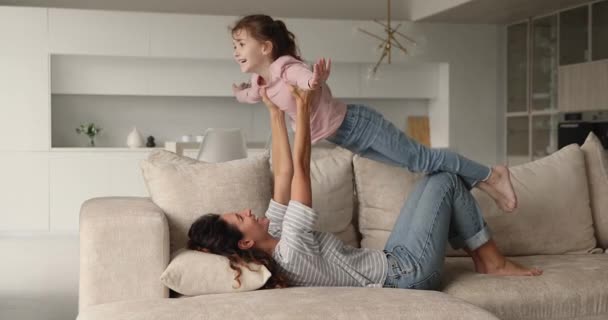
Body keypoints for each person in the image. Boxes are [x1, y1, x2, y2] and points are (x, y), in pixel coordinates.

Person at [187, 85, 542, 291]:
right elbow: (299, 173)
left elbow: (281, 173)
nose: (248, 211)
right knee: (446, 179)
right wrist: (305, 111)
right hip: (409, 276)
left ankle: (486, 256)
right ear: (246, 242)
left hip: (393, 259)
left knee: (436, 176)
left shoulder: (275, 232)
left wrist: (276, 112)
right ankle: (492, 259)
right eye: (240, 217)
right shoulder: (290, 250)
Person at [230, 14, 517, 213]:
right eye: (234, 46)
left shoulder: (284, 66)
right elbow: (249, 96)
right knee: (417, 165)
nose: (236, 51)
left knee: (422, 158)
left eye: (241, 44)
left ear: (266, 47)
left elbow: (304, 78)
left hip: (359, 124)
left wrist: (315, 81)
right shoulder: (261, 83)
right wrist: (238, 92)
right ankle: (482, 181)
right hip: (349, 139)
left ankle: (492, 174)